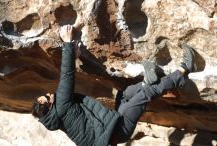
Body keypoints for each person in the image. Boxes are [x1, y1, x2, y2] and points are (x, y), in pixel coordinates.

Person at [32, 25, 198, 146]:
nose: (49, 93)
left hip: (109, 129)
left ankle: (148, 80)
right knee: (144, 95)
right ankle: (184, 71)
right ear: (49, 104)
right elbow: (67, 75)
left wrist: (76, 56)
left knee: (123, 95)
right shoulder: (60, 106)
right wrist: (67, 43)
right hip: (118, 131)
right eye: (47, 97)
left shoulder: (55, 117)